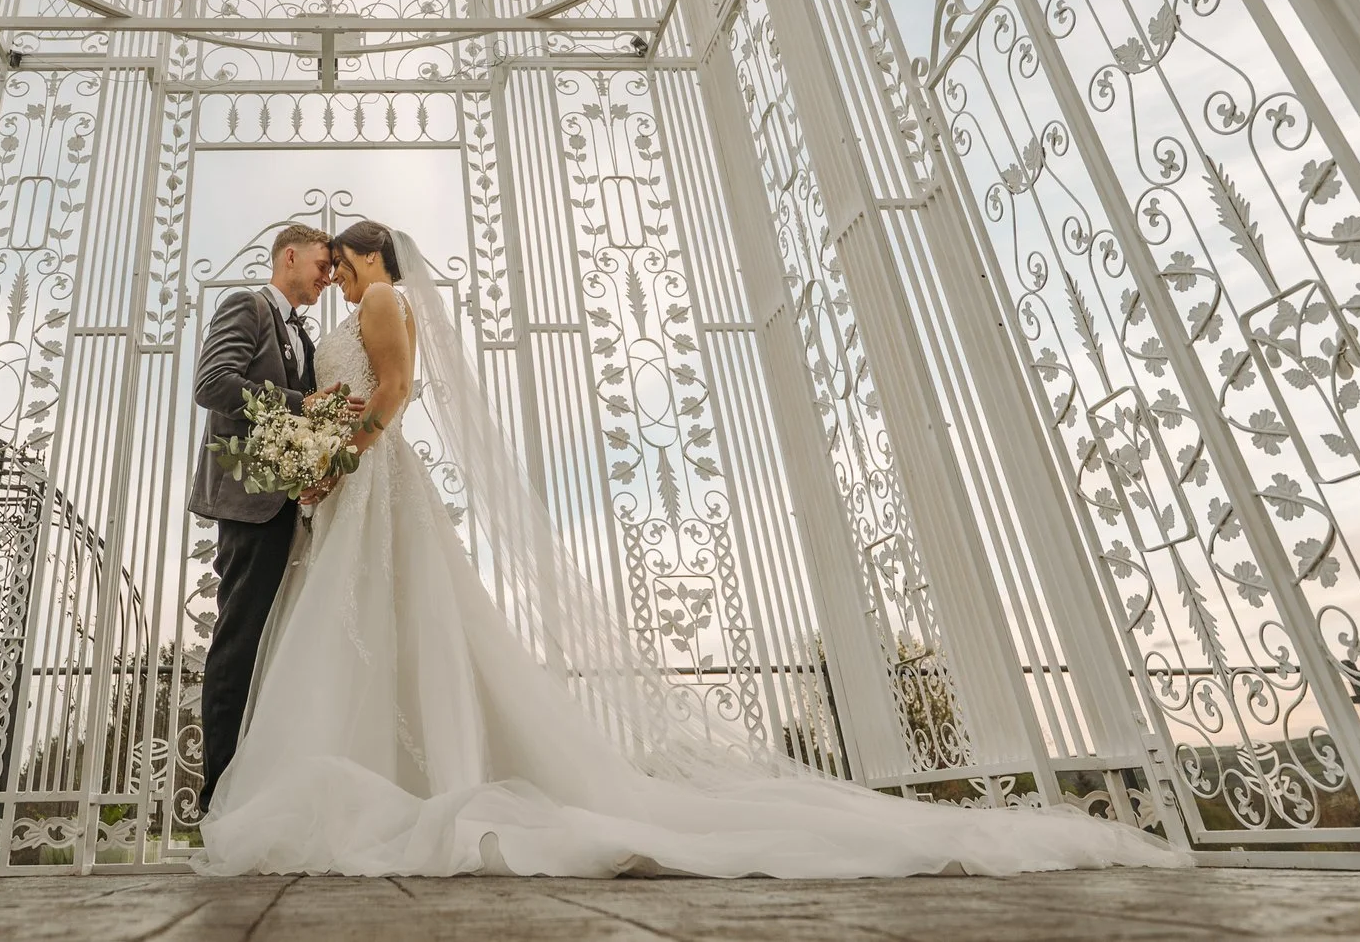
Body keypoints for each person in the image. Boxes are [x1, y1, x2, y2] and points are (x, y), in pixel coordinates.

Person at [194, 218, 1189, 879]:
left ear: (364, 259)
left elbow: (390, 393)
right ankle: (364, 771)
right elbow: (263, 393)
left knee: (379, 626)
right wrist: (320, 449)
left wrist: (347, 446)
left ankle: (375, 782)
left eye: (339, 260)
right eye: (319, 263)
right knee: (359, 633)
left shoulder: (377, 305)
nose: (329, 273)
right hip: (328, 493)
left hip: (368, 479)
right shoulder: (285, 316)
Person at [187, 221, 330, 812]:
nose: (327, 277)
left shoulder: (305, 337)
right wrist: (302, 405)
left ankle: (263, 793)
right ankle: (217, 798)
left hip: (289, 504)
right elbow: (214, 383)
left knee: (280, 646)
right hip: (249, 501)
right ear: (288, 257)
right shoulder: (246, 306)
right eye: (322, 265)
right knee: (241, 640)